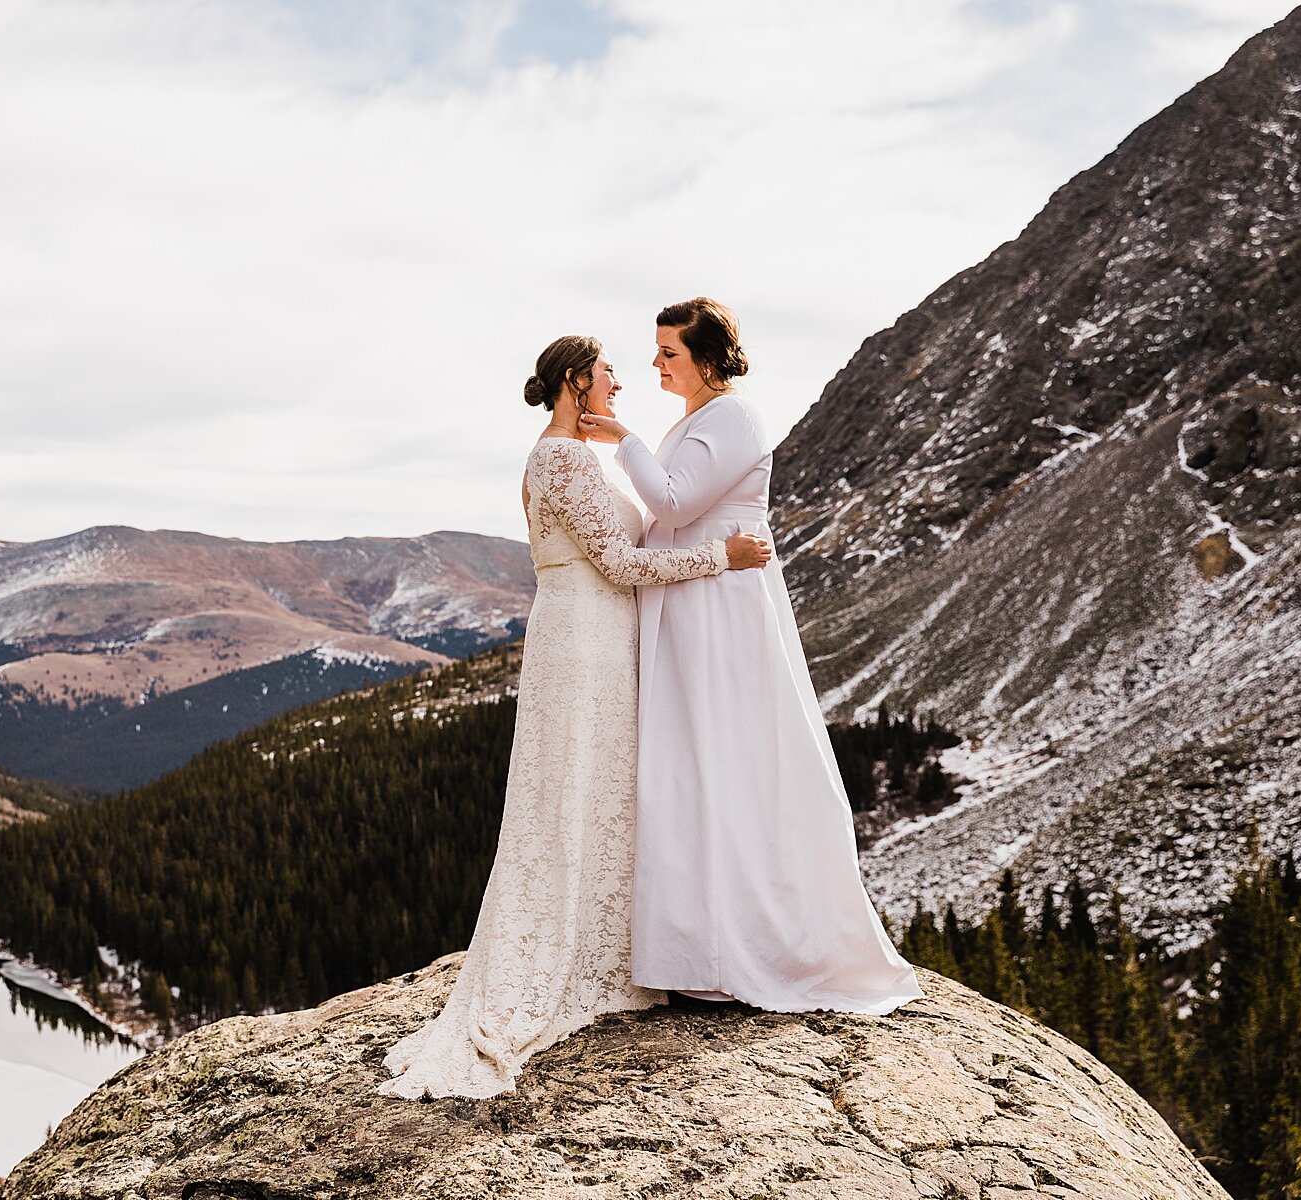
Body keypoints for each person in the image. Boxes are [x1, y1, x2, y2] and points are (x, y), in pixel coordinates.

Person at [378, 335, 771, 1099]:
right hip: (584, 642)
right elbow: (621, 566)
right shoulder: (560, 459)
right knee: (574, 798)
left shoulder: (565, 455)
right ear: (573, 382)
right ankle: (566, 965)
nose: (621, 383)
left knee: (598, 797)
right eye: (608, 373)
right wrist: (722, 557)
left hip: (589, 635)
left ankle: (612, 953)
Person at [579, 298, 923, 1015]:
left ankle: (739, 948)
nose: (655, 364)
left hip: (718, 614)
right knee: (686, 768)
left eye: (668, 352)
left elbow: (674, 504)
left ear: (707, 358)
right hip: (692, 606)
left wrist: (624, 438)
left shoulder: (733, 417)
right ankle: (694, 947)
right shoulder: (698, 420)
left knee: (719, 760)